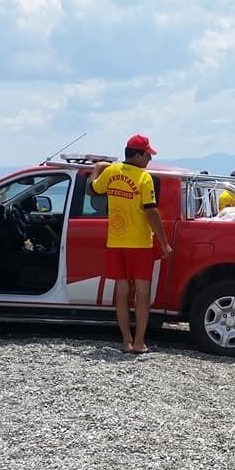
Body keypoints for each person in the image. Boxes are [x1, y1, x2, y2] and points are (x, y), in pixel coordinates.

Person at [88, 134, 173, 353]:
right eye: (147, 155)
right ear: (137, 155)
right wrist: (164, 243)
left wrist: (97, 168)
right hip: (140, 243)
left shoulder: (111, 172)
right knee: (142, 292)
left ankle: (126, 341)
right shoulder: (144, 178)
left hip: (116, 241)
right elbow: (151, 211)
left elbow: (92, 189)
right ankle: (139, 343)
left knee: (122, 291)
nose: (149, 160)